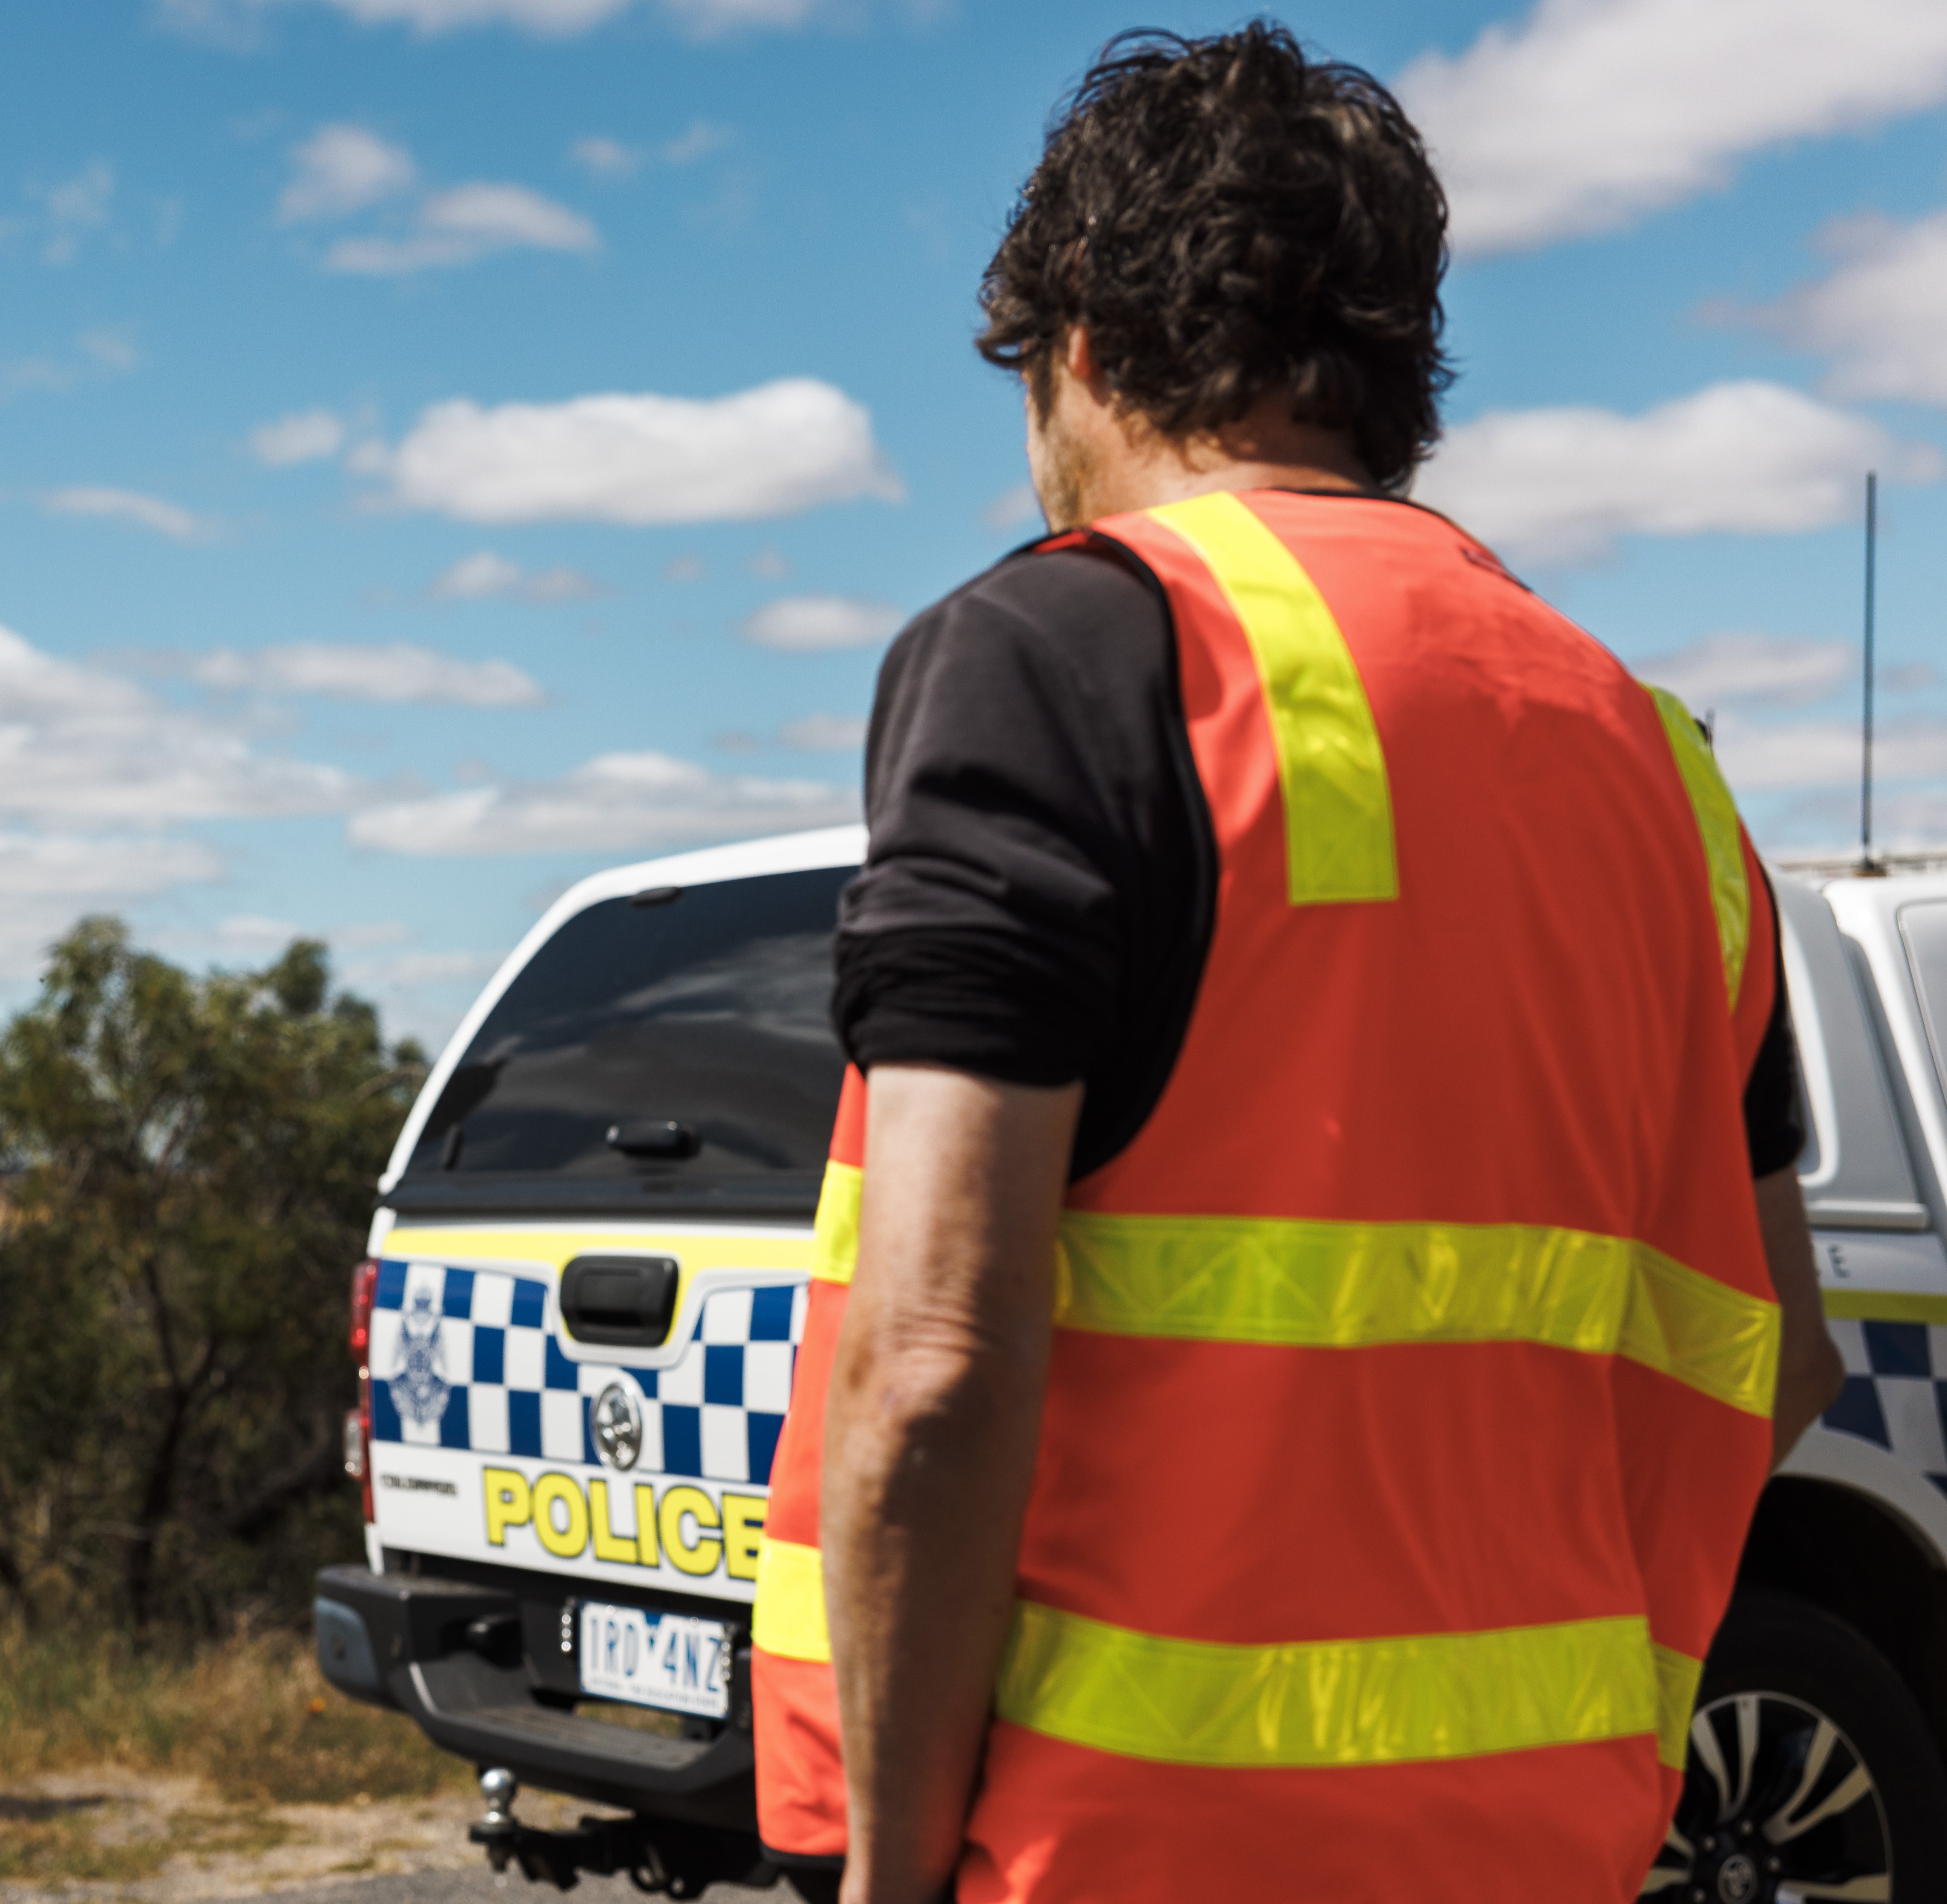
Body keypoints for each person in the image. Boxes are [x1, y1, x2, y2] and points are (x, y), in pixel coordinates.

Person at [745, 26, 1845, 1904]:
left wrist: (891, 1874)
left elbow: (932, 1359)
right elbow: (1786, 1353)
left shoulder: (1067, 653)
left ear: (1078, 346)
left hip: (1109, 1856)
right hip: (1546, 1851)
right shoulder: (1663, 772)